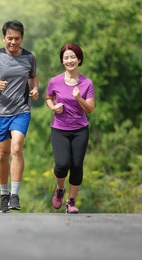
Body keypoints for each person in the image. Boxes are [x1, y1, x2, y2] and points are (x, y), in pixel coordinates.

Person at [0, 20, 39, 213]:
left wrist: (35, 89)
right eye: (9, 38)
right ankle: (4, 194)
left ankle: (15, 195)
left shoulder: (29, 57)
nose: (13, 42)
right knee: (2, 154)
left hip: (21, 110)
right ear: (4, 38)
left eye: (17, 38)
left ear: (22, 38)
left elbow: (32, 76)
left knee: (16, 148)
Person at [45, 43, 95, 214]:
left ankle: (71, 202)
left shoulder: (87, 83)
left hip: (80, 129)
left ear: (79, 59)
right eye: (66, 57)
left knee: (76, 166)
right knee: (61, 164)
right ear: (62, 61)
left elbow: (90, 108)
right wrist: (52, 107)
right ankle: (60, 189)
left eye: (73, 57)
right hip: (59, 128)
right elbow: (48, 98)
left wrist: (79, 98)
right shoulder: (55, 81)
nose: (69, 60)